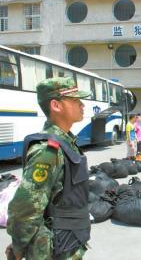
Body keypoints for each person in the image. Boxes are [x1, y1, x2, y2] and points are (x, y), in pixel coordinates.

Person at [6, 77, 91, 260]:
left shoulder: (66, 142)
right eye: (75, 101)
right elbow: (26, 207)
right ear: (56, 105)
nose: (82, 105)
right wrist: (18, 247)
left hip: (70, 241)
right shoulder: (47, 150)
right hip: (53, 250)